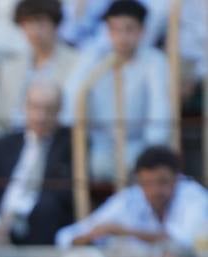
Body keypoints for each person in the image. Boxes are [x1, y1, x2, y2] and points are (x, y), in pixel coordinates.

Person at [61, 0, 169, 185]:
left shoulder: (154, 61)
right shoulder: (94, 57)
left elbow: (160, 110)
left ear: (142, 31)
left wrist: (151, 152)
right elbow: (72, 99)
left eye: (129, 29)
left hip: (138, 145)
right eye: (115, 29)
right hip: (100, 145)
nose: (122, 37)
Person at [56, 146, 208, 251]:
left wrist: (125, 232)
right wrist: (88, 238)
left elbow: (183, 244)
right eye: (147, 183)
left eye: (162, 182)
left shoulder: (195, 197)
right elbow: (66, 237)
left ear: (177, 178)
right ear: (139, 181)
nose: (155, 190)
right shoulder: (131, 197)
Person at [0, 80, 74, 246]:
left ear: (60, 111)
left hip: (37, 226)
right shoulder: (6, 144)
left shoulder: (71, 143)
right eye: (35, 108)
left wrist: (15, 216)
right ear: (25, 108)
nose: (41, 116)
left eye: (49, 109)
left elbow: (61, 194)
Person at [0, 0, 78, 138]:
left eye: (41, 23)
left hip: (57, 141)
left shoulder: (77, 62)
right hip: (11, 142)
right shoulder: (9, 67)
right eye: (28, 24)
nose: (34, 31)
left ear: (55, 24)